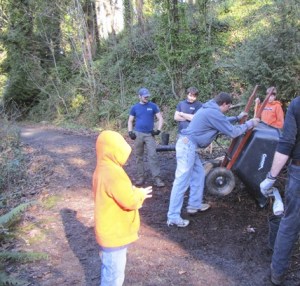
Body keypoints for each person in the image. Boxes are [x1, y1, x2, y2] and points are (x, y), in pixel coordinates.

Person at [167, 92, 260, 227]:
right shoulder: (212, 112)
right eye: (228, 107)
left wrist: (236, 117)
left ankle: (194, 205)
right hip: (187, 146)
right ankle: (173, 216)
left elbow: (221, 121)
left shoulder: (209, 109)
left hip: (188, 145)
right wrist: (250, 123)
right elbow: (233, 132)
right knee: (181, 182)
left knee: (198, 174)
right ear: (224, 104)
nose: (228, 109)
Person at [93, 130, 152, 286]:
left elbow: (114, 193)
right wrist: (140, 193)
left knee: (109, 268)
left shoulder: (102, 167)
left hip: (107, 230)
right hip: (115, 233)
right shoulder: (113, 173)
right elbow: (129, 201)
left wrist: (130, 189)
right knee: (114, 276)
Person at [260, 96, 300, 285]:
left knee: (290, 222)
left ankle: (277, 273)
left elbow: (286, 144)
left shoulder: (297, 103)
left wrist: (270, 177)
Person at [128, 87, 165, 187]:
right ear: (139, 96)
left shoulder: (153, 106)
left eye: (147, 96)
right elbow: (130, 120)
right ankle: (140, 177)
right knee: (138, 156)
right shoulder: (135, 107)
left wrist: (158, 130)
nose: (146, 98)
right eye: (144, 96)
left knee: (153, 155)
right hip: (138, 134)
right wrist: (130, 132)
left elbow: (160, 118)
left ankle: (157, 178)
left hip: (149, 134)